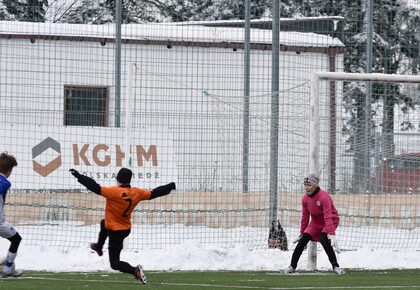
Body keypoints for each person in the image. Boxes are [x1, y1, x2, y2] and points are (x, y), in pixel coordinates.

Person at [69, 167, 176, 284]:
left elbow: (94, 186)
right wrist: (170, 186)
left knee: (115, 264)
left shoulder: (113, 192)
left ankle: (135, 270)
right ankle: (99, 246)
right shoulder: (137, 192)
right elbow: (155, 193)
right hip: (125, 228)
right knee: (103, 223)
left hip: (115, 231)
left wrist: (79, 176)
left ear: (118, 179)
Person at [284, 173, 345, 275]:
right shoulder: (305, 199)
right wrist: (302, 233)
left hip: (330, 220)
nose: (306, 187)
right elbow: (305, 217)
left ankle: (336, 267)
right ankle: (292, 266)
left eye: (309, 185)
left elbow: (328, 217)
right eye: (305, 185)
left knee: (324, 240)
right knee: (302, 242)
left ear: (315, 185)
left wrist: (331, 234)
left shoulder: (324, 197)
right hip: (316, 222)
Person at [0, 152, 24, 277]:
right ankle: (8, 268)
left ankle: (8, 266)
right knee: (16, 239)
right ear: (9, 170)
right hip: (0, 222)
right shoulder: (5, 183)